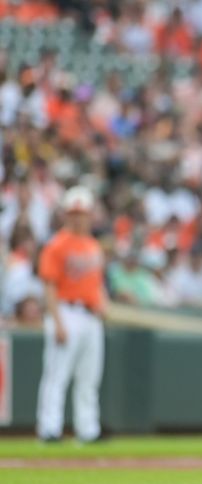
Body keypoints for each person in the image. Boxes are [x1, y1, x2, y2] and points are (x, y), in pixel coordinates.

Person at [36, 186, 106, 443]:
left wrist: (102, 303)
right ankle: (49, 429)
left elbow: (96, 283)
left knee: (89, 377)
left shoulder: (92, 244)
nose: (78, 218)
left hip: (90, 316)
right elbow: (49, 286)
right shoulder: (56, 245)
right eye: (74, 213)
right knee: (57, 375)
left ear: (89, 215)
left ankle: (88, 430)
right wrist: (57, 321)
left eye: (82, 213)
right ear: (67, 214)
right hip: (66, 311)